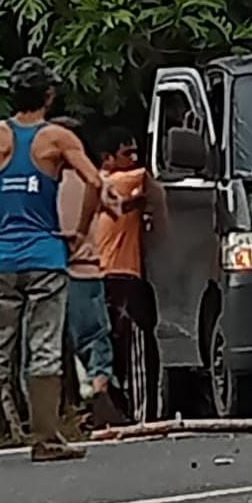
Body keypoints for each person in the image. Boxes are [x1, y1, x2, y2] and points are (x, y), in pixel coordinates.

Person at [0, 57, 103, 464]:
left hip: (4, 258)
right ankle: (45, 438)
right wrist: (80, 232)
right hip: (46, 255)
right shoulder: (58, 139)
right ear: (49, 95)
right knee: (44, 346)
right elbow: (95, 181)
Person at [51, 116, 131, 428]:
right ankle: (100, 395)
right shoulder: (94, 181)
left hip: (47, 272)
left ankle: (56, 414)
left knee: (46, 343)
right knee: (95, 337)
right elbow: (117, 208)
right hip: (85, 271)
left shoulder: (45, 184)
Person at [95, 127, 166, 422]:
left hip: (103, 279)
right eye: (127, 153)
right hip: (122, 277)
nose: (134, 159)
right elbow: (156, 178)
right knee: (137, 348)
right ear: (107, 158)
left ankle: (120, 413)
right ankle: (142, 416)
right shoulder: (116, 181)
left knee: (114, 353)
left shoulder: (98, 190)